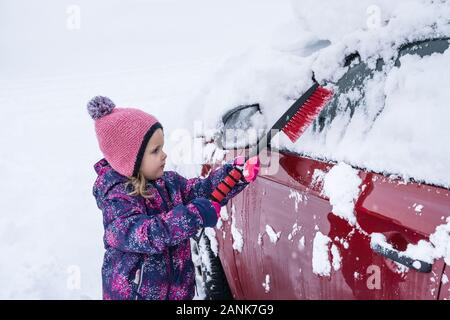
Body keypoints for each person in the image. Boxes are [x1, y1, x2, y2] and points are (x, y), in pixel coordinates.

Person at [87, 96, 260, 300]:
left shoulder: (168, 183)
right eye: (155, 151)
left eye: (162, 147)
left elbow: (201, 191)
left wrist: (233, 175)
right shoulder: (117, 200)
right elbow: (146, 234)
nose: (164, 155)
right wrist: (192, 216)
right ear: (129, 160)